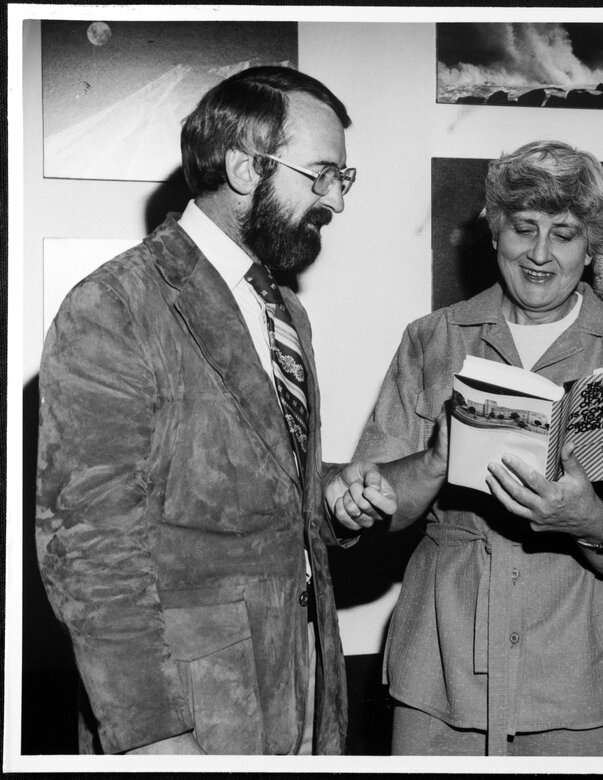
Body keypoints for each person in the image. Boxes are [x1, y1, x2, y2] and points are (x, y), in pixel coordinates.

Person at [35, 66, 394, 755]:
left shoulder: (283, 310)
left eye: (342, 180)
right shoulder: (112, 307)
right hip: (188, 718)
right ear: (242, 166)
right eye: (320, 175)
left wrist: (327, 497)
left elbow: (237, 486)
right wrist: (150, 734)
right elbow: (88, 550)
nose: (335, 203)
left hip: (300, 690)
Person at [332, 141, 603, 756]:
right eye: (524, 229)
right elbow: (382, 513)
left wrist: (592, 520)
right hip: (442, 672)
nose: (541, 254)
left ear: (592, 246)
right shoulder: (433, 340)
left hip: (585, 681)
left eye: (565, 235)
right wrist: (433, 460)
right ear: (495, 233)